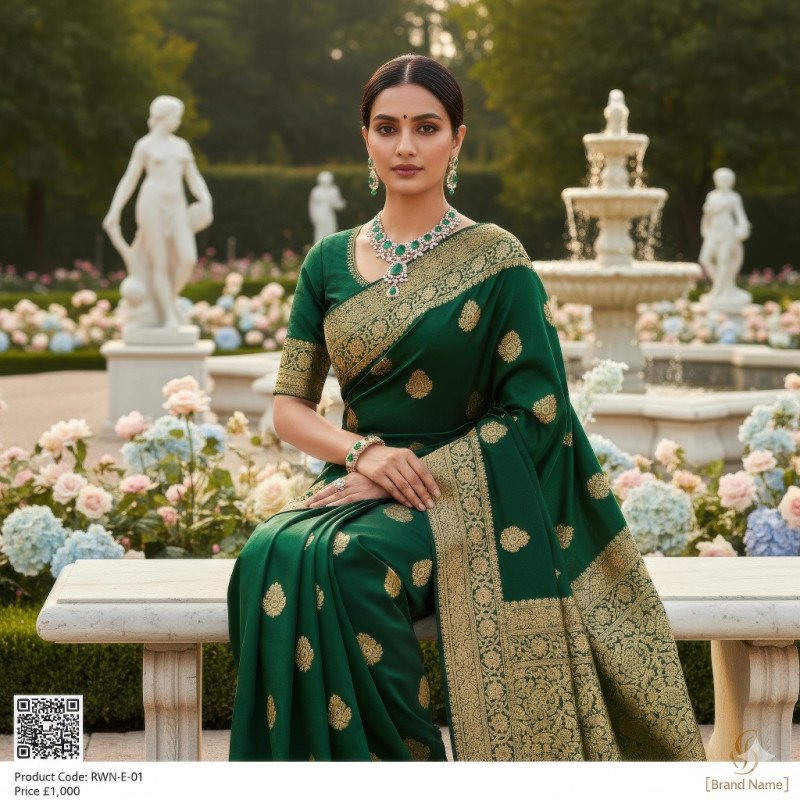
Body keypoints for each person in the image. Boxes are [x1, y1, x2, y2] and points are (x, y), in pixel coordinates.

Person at [227, 54, 707, 762]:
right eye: (387, 127)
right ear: (365, 137)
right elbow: (289, 408)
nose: (405, 146)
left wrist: (413, 469)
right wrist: (364, 455)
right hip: (361, 479)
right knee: (270, 551)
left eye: (426, 127)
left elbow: (536, 412)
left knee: (352, 561)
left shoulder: (496, 259)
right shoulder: (327, 261)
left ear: (457, 140)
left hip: (469, 494)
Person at [103, 95, 213, 331]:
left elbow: (193, 178)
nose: (179, 121)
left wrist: (206, 199)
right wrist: (115, 209)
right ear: (164, 117)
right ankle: (168, 315)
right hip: (151, 203)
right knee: (159, 263)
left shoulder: (181, 146)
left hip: (177, 205)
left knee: (187, 258)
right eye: (176, 117)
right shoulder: (145, 145)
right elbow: (129, 179)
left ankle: (168, 301)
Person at [309, 170, 347, 242]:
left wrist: (342, 204)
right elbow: (312, 206)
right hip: (319, 215)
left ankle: (329, 249)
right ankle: (320, 250)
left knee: (331, 231)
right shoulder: (316, 191)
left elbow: (337, 204)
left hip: (329, 214)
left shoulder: (333, 190)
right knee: (320, 234)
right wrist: (313, 217)